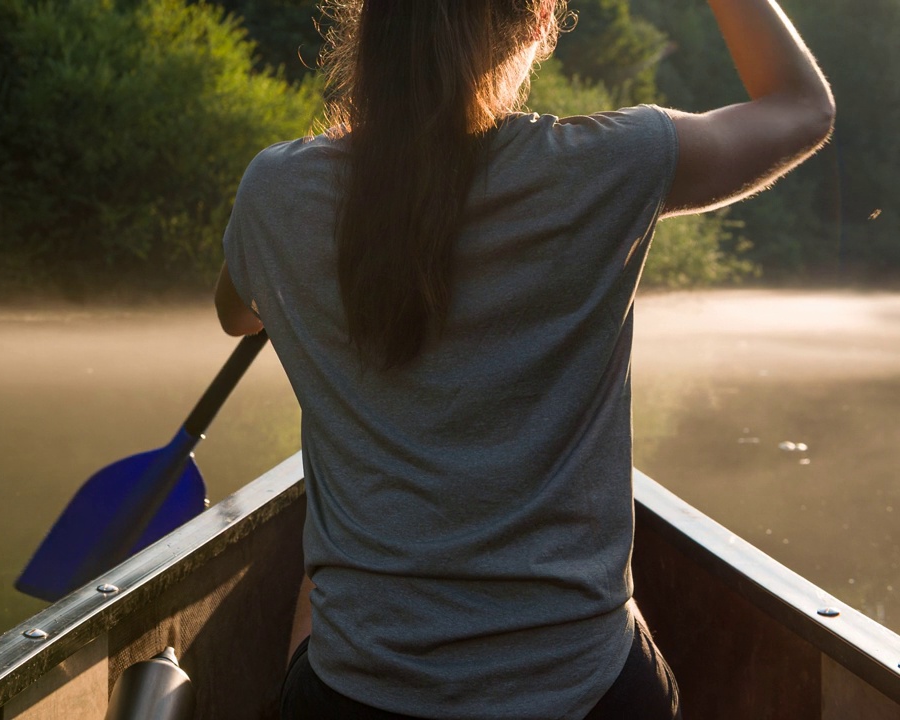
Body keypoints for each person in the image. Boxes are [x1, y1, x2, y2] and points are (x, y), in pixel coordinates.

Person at [214, 1, 833, 718]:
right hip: (583, 695)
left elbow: (238, 314)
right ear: (541, 25)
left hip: (357, 698)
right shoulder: (614, 161)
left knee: (312, 586)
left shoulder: (275, 190)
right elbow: (801, 107)